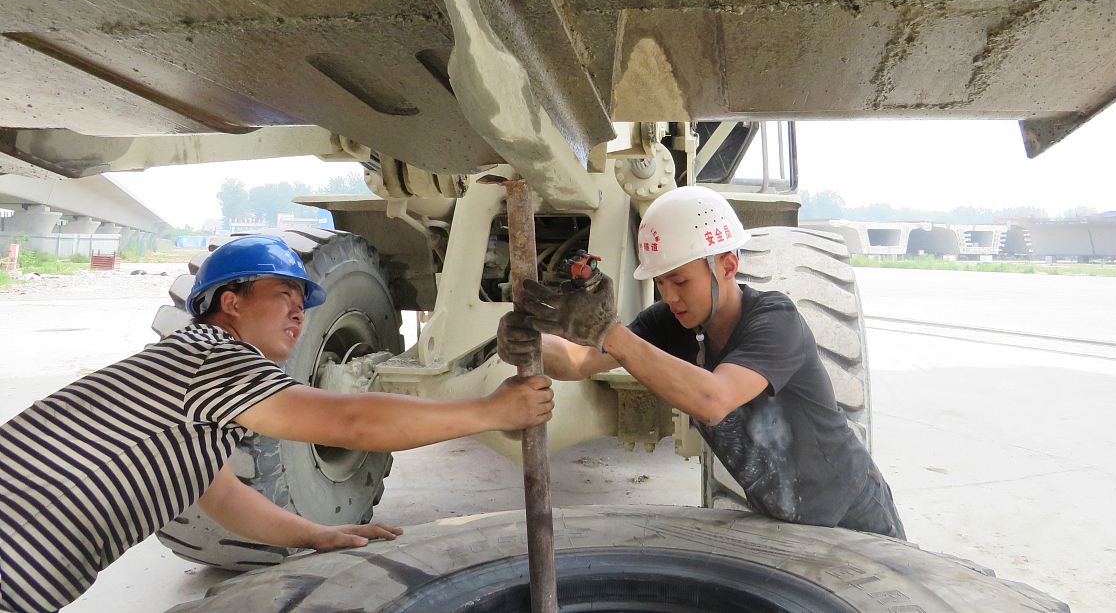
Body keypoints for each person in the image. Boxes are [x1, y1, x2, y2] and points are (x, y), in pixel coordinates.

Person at [0, 234, 553, 613]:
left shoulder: (189, 384)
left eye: (303, 302)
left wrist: (314, 535)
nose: (299, 311)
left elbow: (218, 494)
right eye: (285, 294)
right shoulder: (213, 354)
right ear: (229, 302)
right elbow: (353, 420)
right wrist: (489, 411)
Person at [498, 186, 903, 538]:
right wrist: (523, 342)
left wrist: (609, 332)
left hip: (851, 513)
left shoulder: (775, 320)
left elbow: (714, 399)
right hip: (781, 518)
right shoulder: (671, 323)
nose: (669, 296)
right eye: (659, 282)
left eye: (680, 281)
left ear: (727, 266)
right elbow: (579, 361)